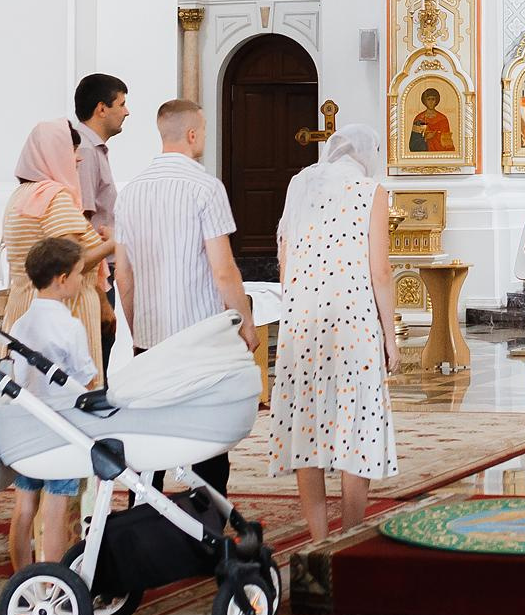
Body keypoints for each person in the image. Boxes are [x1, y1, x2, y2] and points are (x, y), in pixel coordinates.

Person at [115, 99, 256, 494]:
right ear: (193, 135)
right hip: (199, 339)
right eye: (204, 131)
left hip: (150, 336)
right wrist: (245, 323)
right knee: (207, 436)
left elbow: (123, 275)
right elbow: (223, 269)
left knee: (150, 437)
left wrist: (136, 329)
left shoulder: (130, 193)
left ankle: (141, 518)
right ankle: (209, 524)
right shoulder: (205, 187)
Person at [268, 126, 398, 542]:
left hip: (301, 320)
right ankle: (351, 537)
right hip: (353, 321)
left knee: (308, 422)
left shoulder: (298, 184)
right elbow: (380, 271)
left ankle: (319, 538)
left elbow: (284, 256)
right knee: (356, 424)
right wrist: (390, 336)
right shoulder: (371, 191)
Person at [2, 120, 117, 388]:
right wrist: (115, 243)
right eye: (73, 149)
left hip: (26, 307)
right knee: (70, 395)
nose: (78, 158)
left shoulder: (21, 194)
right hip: (62, 310)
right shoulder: (55, 197)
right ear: (54, 152)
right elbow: (66, 262)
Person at [5, 235, 94, 570]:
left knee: (25, 506)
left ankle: (21, 575)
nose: (81, 280)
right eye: (80, 274)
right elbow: (86, 380)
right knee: (55, 509)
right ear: (62, 280)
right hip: (61, 428)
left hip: (27, 426)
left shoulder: (20, 323)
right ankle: (52, 581)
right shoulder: (69, 326)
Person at [72, 73, 129, 241]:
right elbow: (83, 218)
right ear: (102, 109)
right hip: (99, 260)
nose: (127, 112)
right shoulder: (86, 151)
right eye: (122, 104)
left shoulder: (92, 148)